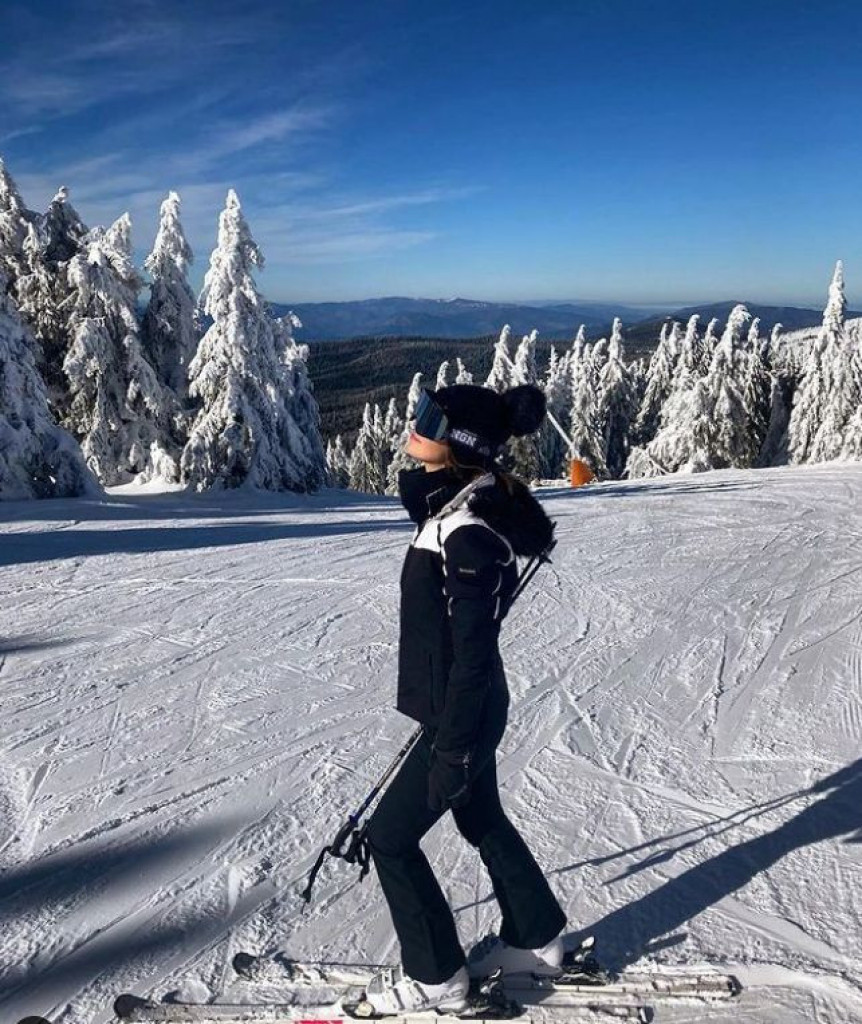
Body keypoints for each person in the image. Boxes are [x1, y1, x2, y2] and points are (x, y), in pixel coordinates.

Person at [362, 382, 567, 1015]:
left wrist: (451, 747)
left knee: (389, 838)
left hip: (464, 709)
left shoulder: (467, 531)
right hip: (463, 706)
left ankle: (437, 978)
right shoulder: (452, 511)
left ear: (461, 443)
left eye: (430, 419)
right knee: (480, 819)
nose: (414, 425)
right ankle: (535, 937)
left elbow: (472, 656)